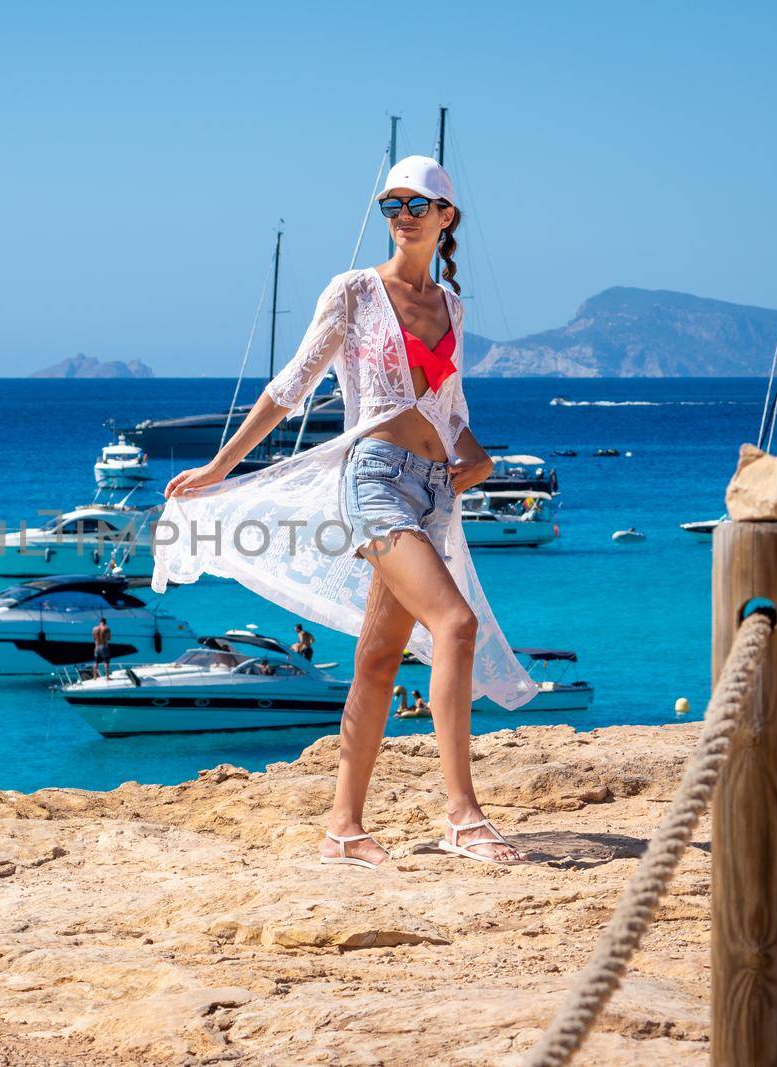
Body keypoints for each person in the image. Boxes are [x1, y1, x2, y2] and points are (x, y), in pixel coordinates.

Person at [156, 155, 535, 868]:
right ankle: (462, 815)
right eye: (392, 204)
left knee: (377, 658)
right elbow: (289, 388)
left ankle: (342, 827)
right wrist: (218, 467)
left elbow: (450, 414)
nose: (402, 216)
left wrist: (477, 463)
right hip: (374, 481)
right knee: (455, 625)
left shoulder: (453, 307)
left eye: (416, 204)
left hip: (432, 489)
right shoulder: (355, 292)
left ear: (445, 217)